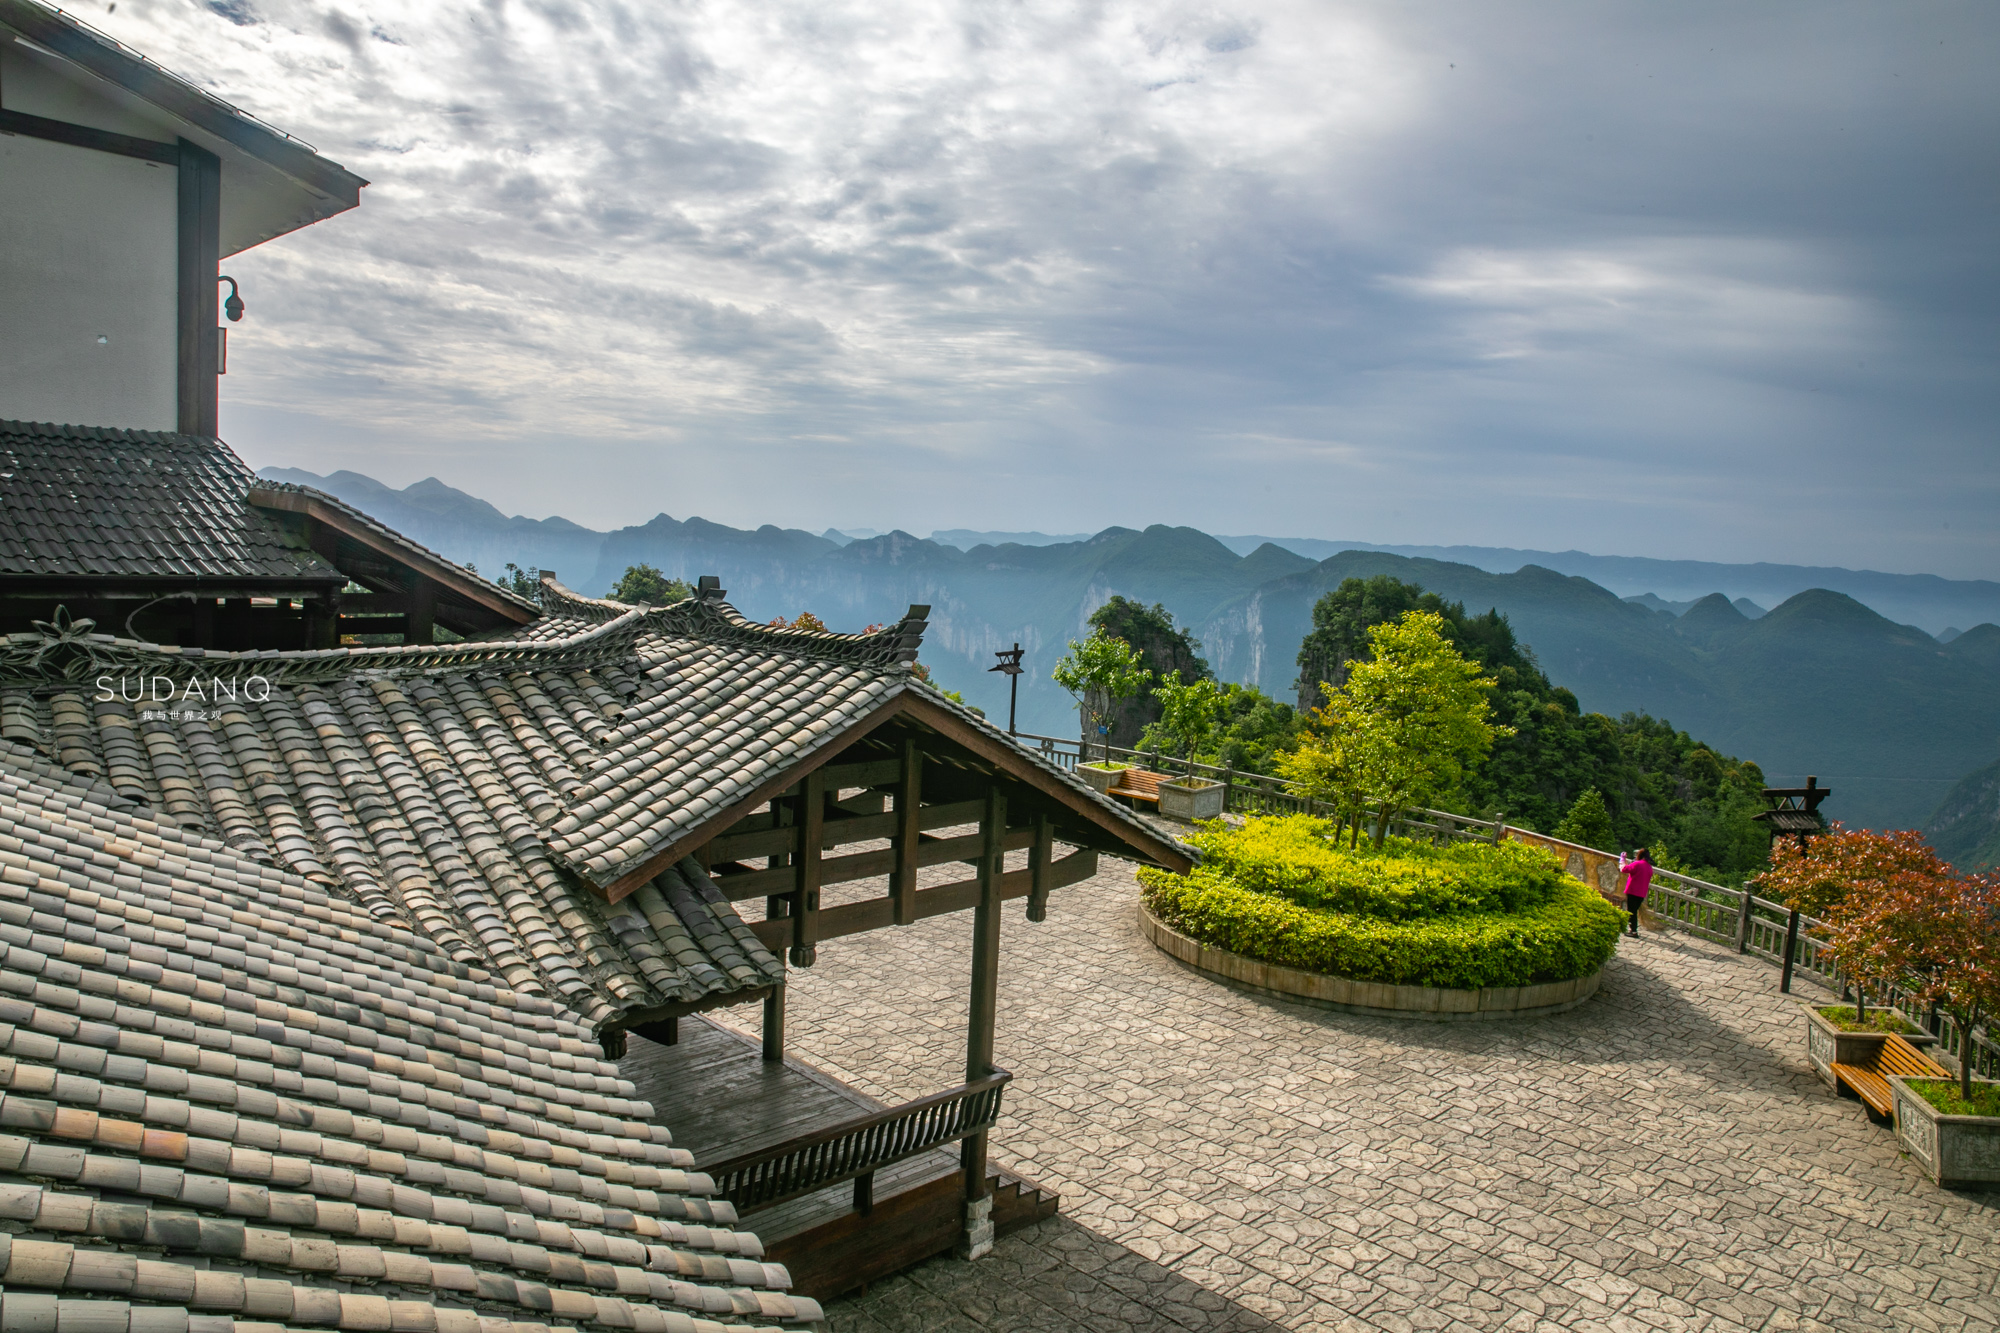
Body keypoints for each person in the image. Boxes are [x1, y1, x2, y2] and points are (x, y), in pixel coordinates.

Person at [1618, 847, 1654, 937]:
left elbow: (1624, 869)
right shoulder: (1649, 867)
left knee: (1631, 911)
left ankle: (1633, 931)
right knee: (1633, 911)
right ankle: (1633, 929)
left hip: (1632, 891)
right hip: (1641, 893)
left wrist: (1622, 860)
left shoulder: (1637, 864)